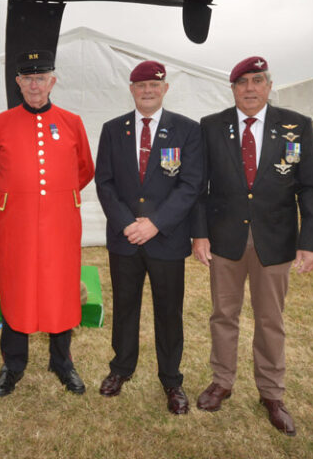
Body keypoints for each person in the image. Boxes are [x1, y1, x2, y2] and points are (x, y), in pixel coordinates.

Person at [192, 56, 313, 436]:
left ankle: (272, 393)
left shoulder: (295, 126)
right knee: (223, 315)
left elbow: (311, 190)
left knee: (270, 320)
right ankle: (222, 382)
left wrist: (310, 243)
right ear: (232, 89)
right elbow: (200, 188)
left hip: (276, 239)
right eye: (242, 83)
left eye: (257, 80)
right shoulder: (212, 126)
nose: (250, 88)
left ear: (268, 85)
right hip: (225, 240)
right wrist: (199, 234)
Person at [0, 50, 94, 397]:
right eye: (27, 78)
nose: (34, 85)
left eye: (41, 78)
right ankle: (13, 365)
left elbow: (85, 168)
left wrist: (54, 197)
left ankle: (62, 362)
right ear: (18, 83)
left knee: (60, 290)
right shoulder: (0, 122)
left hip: (61, 224)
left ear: (52, 81)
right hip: (16, 224)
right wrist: (19, 196)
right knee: (17, 289)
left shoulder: (72, 121)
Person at [94, 60, 202, 414]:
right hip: (124, 238)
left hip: (166, 238)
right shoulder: (113, 129)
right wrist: (128, 223)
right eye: (140, 85)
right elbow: (104, 181)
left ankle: (171, 380)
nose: (147, 91)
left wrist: (155, 223)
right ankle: (120, 368)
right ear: (131, 89)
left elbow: (190, 185)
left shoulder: (186, 130)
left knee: (168, 312)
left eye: (154, 85)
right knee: (125, 307)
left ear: (165, 89)